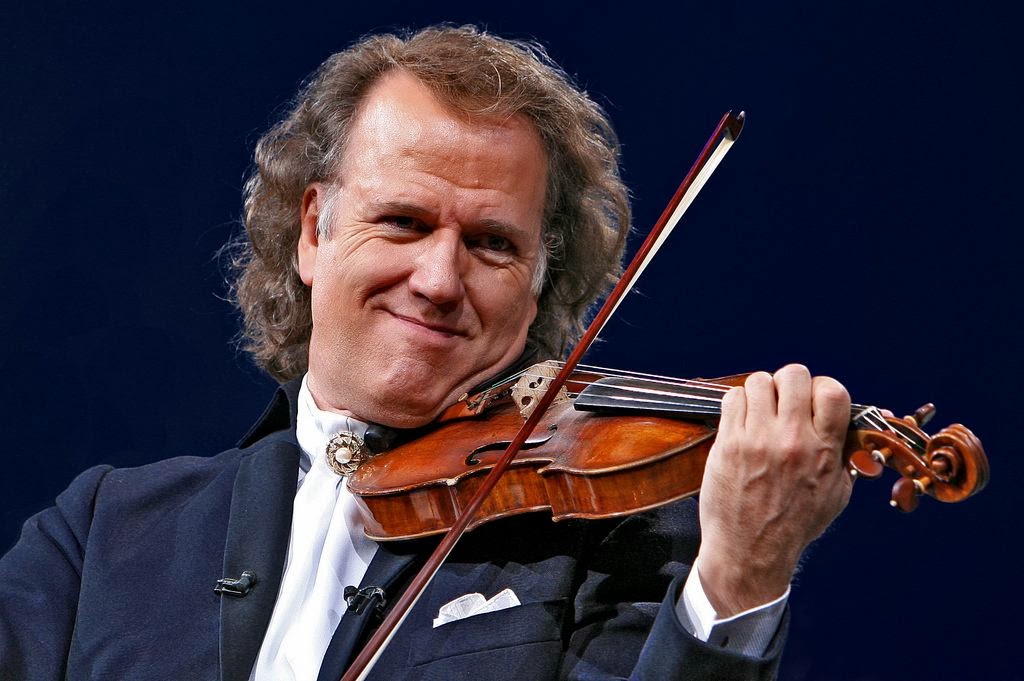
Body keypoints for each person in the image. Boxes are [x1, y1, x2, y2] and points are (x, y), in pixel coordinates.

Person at [0, 25, 852, 680]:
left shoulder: (616, 546)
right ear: (313, 231)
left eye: (491, 243)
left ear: (539, 282)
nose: (440, 280)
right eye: (404, 222)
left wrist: (740, 576)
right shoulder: (104, 533)